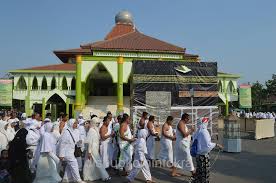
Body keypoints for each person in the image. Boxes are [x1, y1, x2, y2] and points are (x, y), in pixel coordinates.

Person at [192, 117, 223, 183]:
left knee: (199, 170)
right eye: (206, 122)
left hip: (198, 154)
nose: (207, 123)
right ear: (204, 123)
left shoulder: (198, 131)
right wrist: (217, 145)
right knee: (204, 172)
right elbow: (208, 144)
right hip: (203, 155)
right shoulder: (204, 132)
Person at [83, 117, 111, 182]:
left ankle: (90, 176)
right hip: (92, 149)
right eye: (96, 123)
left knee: (91, 163)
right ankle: (105, 176)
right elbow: (89, 142)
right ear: (93, 123)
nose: (98, 124)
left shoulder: (96, 130)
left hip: (95, 148)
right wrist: (89, 152)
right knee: (97, 163)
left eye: (98, 123)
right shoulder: (91, 130)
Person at [58, 119, 85, 183]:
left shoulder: (76, 131)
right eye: (74, 123)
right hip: (67, 151)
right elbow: (62, 144)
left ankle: (66, 179)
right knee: (74, 163)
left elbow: (78, 140)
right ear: (71, 124)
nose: (76, 125)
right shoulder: (66, 132)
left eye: (76, 123)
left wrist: (80, 145)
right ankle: (78, 180)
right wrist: (61, 154)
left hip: (74, 151)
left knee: (69, 165)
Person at [174, 113, 196, 181]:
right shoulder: (181, 124)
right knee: (188, 157)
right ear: (185, 118)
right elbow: (184, 135)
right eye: (188, 119)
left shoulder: (183, 124)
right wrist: (191, 130)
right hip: (182, 144)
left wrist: (190, 132)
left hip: (182, 143)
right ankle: (193, 172)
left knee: (177, 157)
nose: (189, 120)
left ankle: (173, 172)